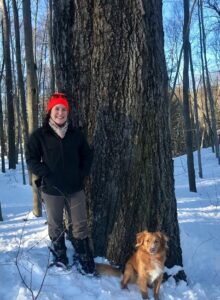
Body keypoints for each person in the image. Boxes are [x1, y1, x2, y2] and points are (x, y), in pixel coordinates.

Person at [26, 92, 95, 275]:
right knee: (55, 224)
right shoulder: (40, 135)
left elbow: (87, 155)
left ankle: (84, 257)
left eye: (64, 109)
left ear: (67, 112)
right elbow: (31, 159)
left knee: (80, 224)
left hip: (75, 187)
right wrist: (45, 174)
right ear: (50, 111)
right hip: (51, 188)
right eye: (57, 109)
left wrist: (81, 174)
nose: (60, 113)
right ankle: (60, 256)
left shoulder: (75, 134)